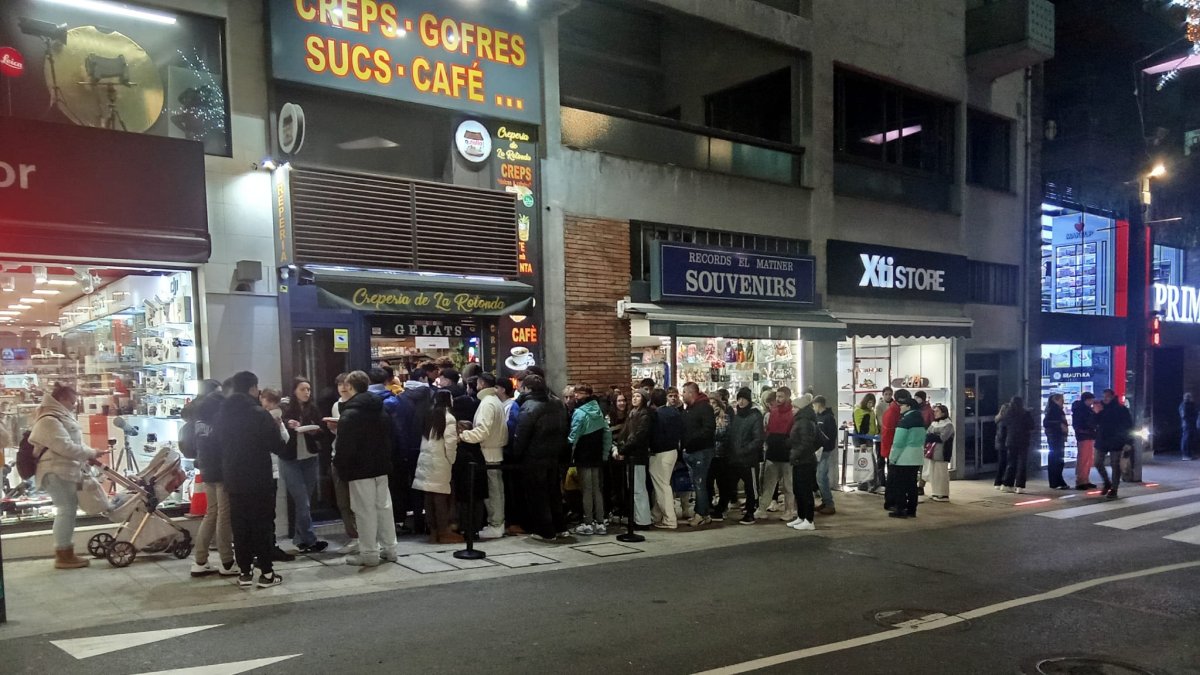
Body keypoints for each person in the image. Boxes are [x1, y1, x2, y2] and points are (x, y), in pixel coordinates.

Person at [219, 371, 285, 588]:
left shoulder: (223, 413)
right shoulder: (259, 414)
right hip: (258, 478)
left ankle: (244, 572)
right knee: (262, 525)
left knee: (240, 525)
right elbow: (276, 445)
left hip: (233, 478)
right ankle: (266, 572)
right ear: (252, 389)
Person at [30, 383, 106, 569]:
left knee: (67, 510)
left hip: (61, 470)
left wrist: (90, 453)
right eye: (72, 401)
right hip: (55, 471)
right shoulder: (49, 420)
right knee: (66, 510)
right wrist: (90, 453)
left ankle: (65, 552)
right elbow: (65, 447)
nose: (74, 405)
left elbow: (71, 443)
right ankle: (63, 554)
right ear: (62, 399)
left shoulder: (57, 417)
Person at [333, 370, 397, 566]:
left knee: (364, 511)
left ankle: (369, 553)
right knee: (384, 508)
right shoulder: (380, 408)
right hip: (381, 466)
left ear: (351, 387)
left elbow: (345, 448)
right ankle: (390, 549)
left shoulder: (350, 414)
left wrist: (341, 468)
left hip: (359, 469)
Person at [513, 375, 570, 541]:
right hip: (554, 456)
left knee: (538, 495)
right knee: (554, 493)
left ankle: (545, 531)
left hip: (534, 457)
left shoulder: (529, 406)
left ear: (527, 389)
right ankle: (560, 527)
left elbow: (522, 434)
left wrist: (517, 454)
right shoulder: (557, 403)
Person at [191, 388, 237, 577]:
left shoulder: (199, 423)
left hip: (206, 471)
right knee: (224, 516)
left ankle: (200, 560)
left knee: (211, 514)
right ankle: (227, 562)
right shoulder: (220, 422)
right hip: (222, 472)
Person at [458, 372, 509, 540]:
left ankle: (496, 524)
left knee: (492, 491)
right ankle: (497, 523)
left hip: (488, 451)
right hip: (494, 450)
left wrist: (463, 436)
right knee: (496, 490)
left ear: (481, 383)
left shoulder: (487, 403)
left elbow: (483, 430)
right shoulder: (494, 401)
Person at [279, 377, 328, 553]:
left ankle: (300, 540)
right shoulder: (285, 408)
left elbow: (322, 432)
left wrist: (315, 431)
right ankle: (310, 539)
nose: (307, 392)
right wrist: (287, 424)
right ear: (294, 391)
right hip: (290, 459)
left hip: (309, 457)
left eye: (308, 389)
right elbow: (276, 426)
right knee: (302, 501)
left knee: (305, 501)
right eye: (303, 389)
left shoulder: (312, 408)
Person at [412, 390, 462, 544]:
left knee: (429, 497)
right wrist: (451, 460)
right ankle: (444, 531)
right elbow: (450, 443)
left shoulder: (429, 415)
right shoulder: (449, 418)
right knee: (441, 498)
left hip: (426, 460)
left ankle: (433, 531)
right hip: (440, 461)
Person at [568, 385, 612, 535]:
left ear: (584, 395)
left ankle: (588, 522)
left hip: (583, 456)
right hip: (597, 456)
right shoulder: (598, 410)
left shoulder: (579, 413)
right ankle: (600, 522)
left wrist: (569, 454)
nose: (575, 396)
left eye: (578, 393)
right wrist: (605, 454)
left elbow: (573, 436)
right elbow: (607, 434)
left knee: (586, 490)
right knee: (597, 489)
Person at [327, 373, 358, 554]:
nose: (343, 388)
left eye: (346, 384)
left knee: (358, 500)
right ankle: (352, 535)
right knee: (343, 501)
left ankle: (365, 536)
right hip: (338, 454)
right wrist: (333, 428)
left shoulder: (358, 404)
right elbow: (337, 434)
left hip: (355, 458)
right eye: (339, 384)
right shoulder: (336, 405)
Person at [723, 388, 763, 524]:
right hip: (735, 459)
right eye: (739, 398)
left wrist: (744, 450)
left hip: (748, 459)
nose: (740, 401)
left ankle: (750, 511)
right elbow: (733, 435)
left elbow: (758, 439)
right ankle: (723, 507)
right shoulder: (737, 415)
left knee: (750, 487)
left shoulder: (755, 416)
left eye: (743, 399)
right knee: (729, 485)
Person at [615, 388, 654, 528]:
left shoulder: (644, 415)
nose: (635, 398)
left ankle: (643, 520)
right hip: (631, 455)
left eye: (638, 396)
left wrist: (624, 449)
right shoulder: (633, 413)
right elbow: (626, 433)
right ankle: (637, 518)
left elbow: (638, 436)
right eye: (634, 396)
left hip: (638, 456)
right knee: (634, 488)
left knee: (639, 489)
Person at [680, 382, 716, 527]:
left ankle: (700, 514)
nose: (682, 395)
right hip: (691, 450)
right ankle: (704, 513)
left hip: (701, 450)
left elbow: (708, 429)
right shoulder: (689, 409)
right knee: (697, 484)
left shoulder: (704, 408)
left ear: (691, 393)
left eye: (684, 392)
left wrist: (691, 440)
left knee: (699, 483)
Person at [757, 386, 795, 521]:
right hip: (773, 453)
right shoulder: (771, 413)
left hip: (787, 455)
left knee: (788, 486)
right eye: (777, 396)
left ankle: (789, 510)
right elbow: (766, 431)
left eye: (781, 397)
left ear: (788, 397)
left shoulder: (793, 413)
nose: (778, 399)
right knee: (768, 484)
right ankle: (762, 509)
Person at [887, 391, 926, 518]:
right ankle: (911, 510)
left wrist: (892, 458)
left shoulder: (904, 421)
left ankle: (900, 509)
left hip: (904, 458)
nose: (900, 407)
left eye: (903, 405)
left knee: (900, 485)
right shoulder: (920, 419)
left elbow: (898, 442)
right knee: (911, 485)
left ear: (909, 407)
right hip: (917, 456)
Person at [648, 388, 682, 529]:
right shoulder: (674, 412)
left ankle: (670, 519)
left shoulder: (656, 415)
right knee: (662, 484)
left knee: (662, 486)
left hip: (660, 453)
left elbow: (654, 436)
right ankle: (656, 515)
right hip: (673, 451)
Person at [786, 393, 819, 531]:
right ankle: (801, 516)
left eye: (794, 407)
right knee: (798, 490)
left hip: (805, 461)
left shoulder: (805, 422)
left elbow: (806, 443)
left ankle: (809, 519)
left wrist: (794, 453)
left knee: (805, 491)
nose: (792, 409)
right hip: (799, 460)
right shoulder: (800, 420)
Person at [1094, 389, 1134, 500]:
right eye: (1104, 396)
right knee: (1097, 462)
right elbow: (1094, 422)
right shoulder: (1101, 409)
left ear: (1112, 397)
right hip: (1102, 439)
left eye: (1107, 396)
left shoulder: (1121, 409)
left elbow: (1129, 426)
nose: (1105, 399)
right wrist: (1096, 413)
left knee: (1115, 464)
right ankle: (1107, 482)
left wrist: (1128, 441)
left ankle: (1114, 488)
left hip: (1116, 440)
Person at [998, 396, 1036, 494]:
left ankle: (1007, 484)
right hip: (1023, 440)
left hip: (1010, 440)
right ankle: (1019, 485)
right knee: (1022, 463)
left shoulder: (1008, 413)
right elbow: (1032, 426)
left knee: (1011, 463)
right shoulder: (1025, 414)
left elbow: (1004, 424)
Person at [812, 395, 838, 515]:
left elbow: (831, 436)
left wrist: (825, 446)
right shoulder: (818, 417)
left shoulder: (829, 418)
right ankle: (825, 501)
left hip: (825, 451)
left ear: (818, 404)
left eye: (814, 405)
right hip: (818, 451)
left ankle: (829, 504)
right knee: (820, 477)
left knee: (821, 477)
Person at [708, 390, 732, 521]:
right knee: (708, 482)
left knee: (722, 483)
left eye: (714, 402)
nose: (712, 405)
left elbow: (722, 434)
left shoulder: (724, 417)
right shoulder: (707, 416)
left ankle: (722, 507)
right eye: (710, 403)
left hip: (721, 454)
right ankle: (710, 505)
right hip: (710, 454)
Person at [925, 404, 954, 502]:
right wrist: (934, 435)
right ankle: (935, 492)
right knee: (934, 474)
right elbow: (928, 434)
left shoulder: (948, 424)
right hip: (933, 452)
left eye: (937, 411)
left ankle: (943, 494)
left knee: (941, 474)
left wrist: (934, 436)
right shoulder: (934, 423)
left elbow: (943, 437)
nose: (935, 413)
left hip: (942, 452)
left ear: (943, 412)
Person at [1071, 393, 1098, 490]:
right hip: (1084, 436)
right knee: (1084, 459)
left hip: (1088, 436)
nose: (1092, 402)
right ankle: (1081, 480)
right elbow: (1082, 424)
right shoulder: (1081, 410)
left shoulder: (1086, 410)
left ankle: (1085, 479)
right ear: (1087, 400)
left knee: (1088, 459)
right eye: (1091, 400)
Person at [1043, 393, 1070, 489]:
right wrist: (1060, 425)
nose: (1063, 401)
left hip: (1056, 437)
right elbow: (1046, 423)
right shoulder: (1054, 410)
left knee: (1057, 459)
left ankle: (1057, 481)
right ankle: (1056, 481)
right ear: (1056, 400)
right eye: (1061, 399)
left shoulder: (1056, 409)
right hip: (1055, 437)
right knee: (1056, 459)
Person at [993, 402, 1011, 490]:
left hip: (1000, 444)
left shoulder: (999, 419)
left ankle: (998, 482)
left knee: (1001, 463)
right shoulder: (1005, 421)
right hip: (1004, 444)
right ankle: (1000, 481)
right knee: (1004, 463)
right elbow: (1003, 434)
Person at [1181, 393, 1198, 461]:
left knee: (1190, 439)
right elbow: (1184, 416)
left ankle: (1189, 454)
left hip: (1191, 424)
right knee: (1186, 439)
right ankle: (1186, 454)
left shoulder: (1190, 405)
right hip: (1187, 425)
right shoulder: (1184, 405)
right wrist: (1192, 419)